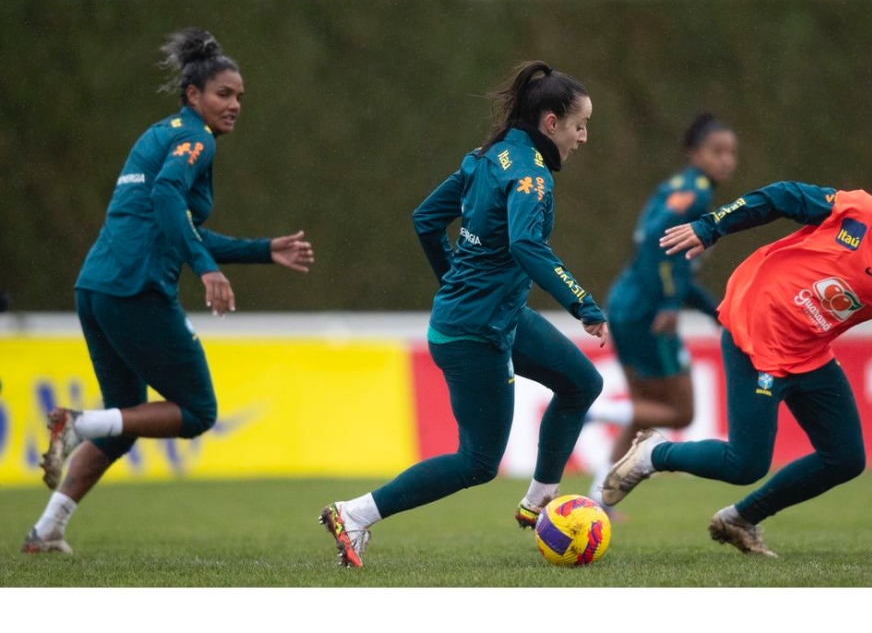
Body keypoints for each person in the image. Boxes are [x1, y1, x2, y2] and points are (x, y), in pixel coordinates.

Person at [601, 149, 872, 557]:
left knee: (846, 458)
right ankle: (653, 455)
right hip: (757, 324)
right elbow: (781, 196)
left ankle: (740, 519)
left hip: (808, 351)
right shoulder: (860, 211)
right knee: (745, 462)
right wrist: (710, 225)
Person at [21, 28, 315, 554]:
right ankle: (78, 423)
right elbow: (166, 197)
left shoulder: (159, 135)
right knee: (198, 411)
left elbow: (174, 220)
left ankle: (46, 531)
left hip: (96, 287)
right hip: (136, 289)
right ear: (193, 95)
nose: (235, 105)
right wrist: (206, 270)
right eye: (224, 94)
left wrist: (262, 249)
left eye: (240, 96)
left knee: (125, 421)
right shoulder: (195, 139)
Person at [319, 61, 608, 568]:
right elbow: (526, 245)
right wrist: (583, 304)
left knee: (581, 382)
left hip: (493, 316)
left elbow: (426, 219)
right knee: (477, 462)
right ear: (550, 123)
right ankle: (355, 512)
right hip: (475, 332)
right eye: (580, 125)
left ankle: (540, 497)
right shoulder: (530, 177)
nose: (584, 137)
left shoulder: (487, 157)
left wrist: (453, 279)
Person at [588, 113, 738, 512]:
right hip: (649, 310)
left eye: (731, 153)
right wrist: (675, 304)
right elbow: (659, 247)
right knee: (682, 411)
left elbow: (651, 246)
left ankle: (597, 498)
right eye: (717, 151)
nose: (726, 160)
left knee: (643, 416)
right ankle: (596, 409)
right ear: (694, 153)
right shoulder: (695, 194)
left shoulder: (674, 188)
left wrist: (711, 312)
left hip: (627, 303)